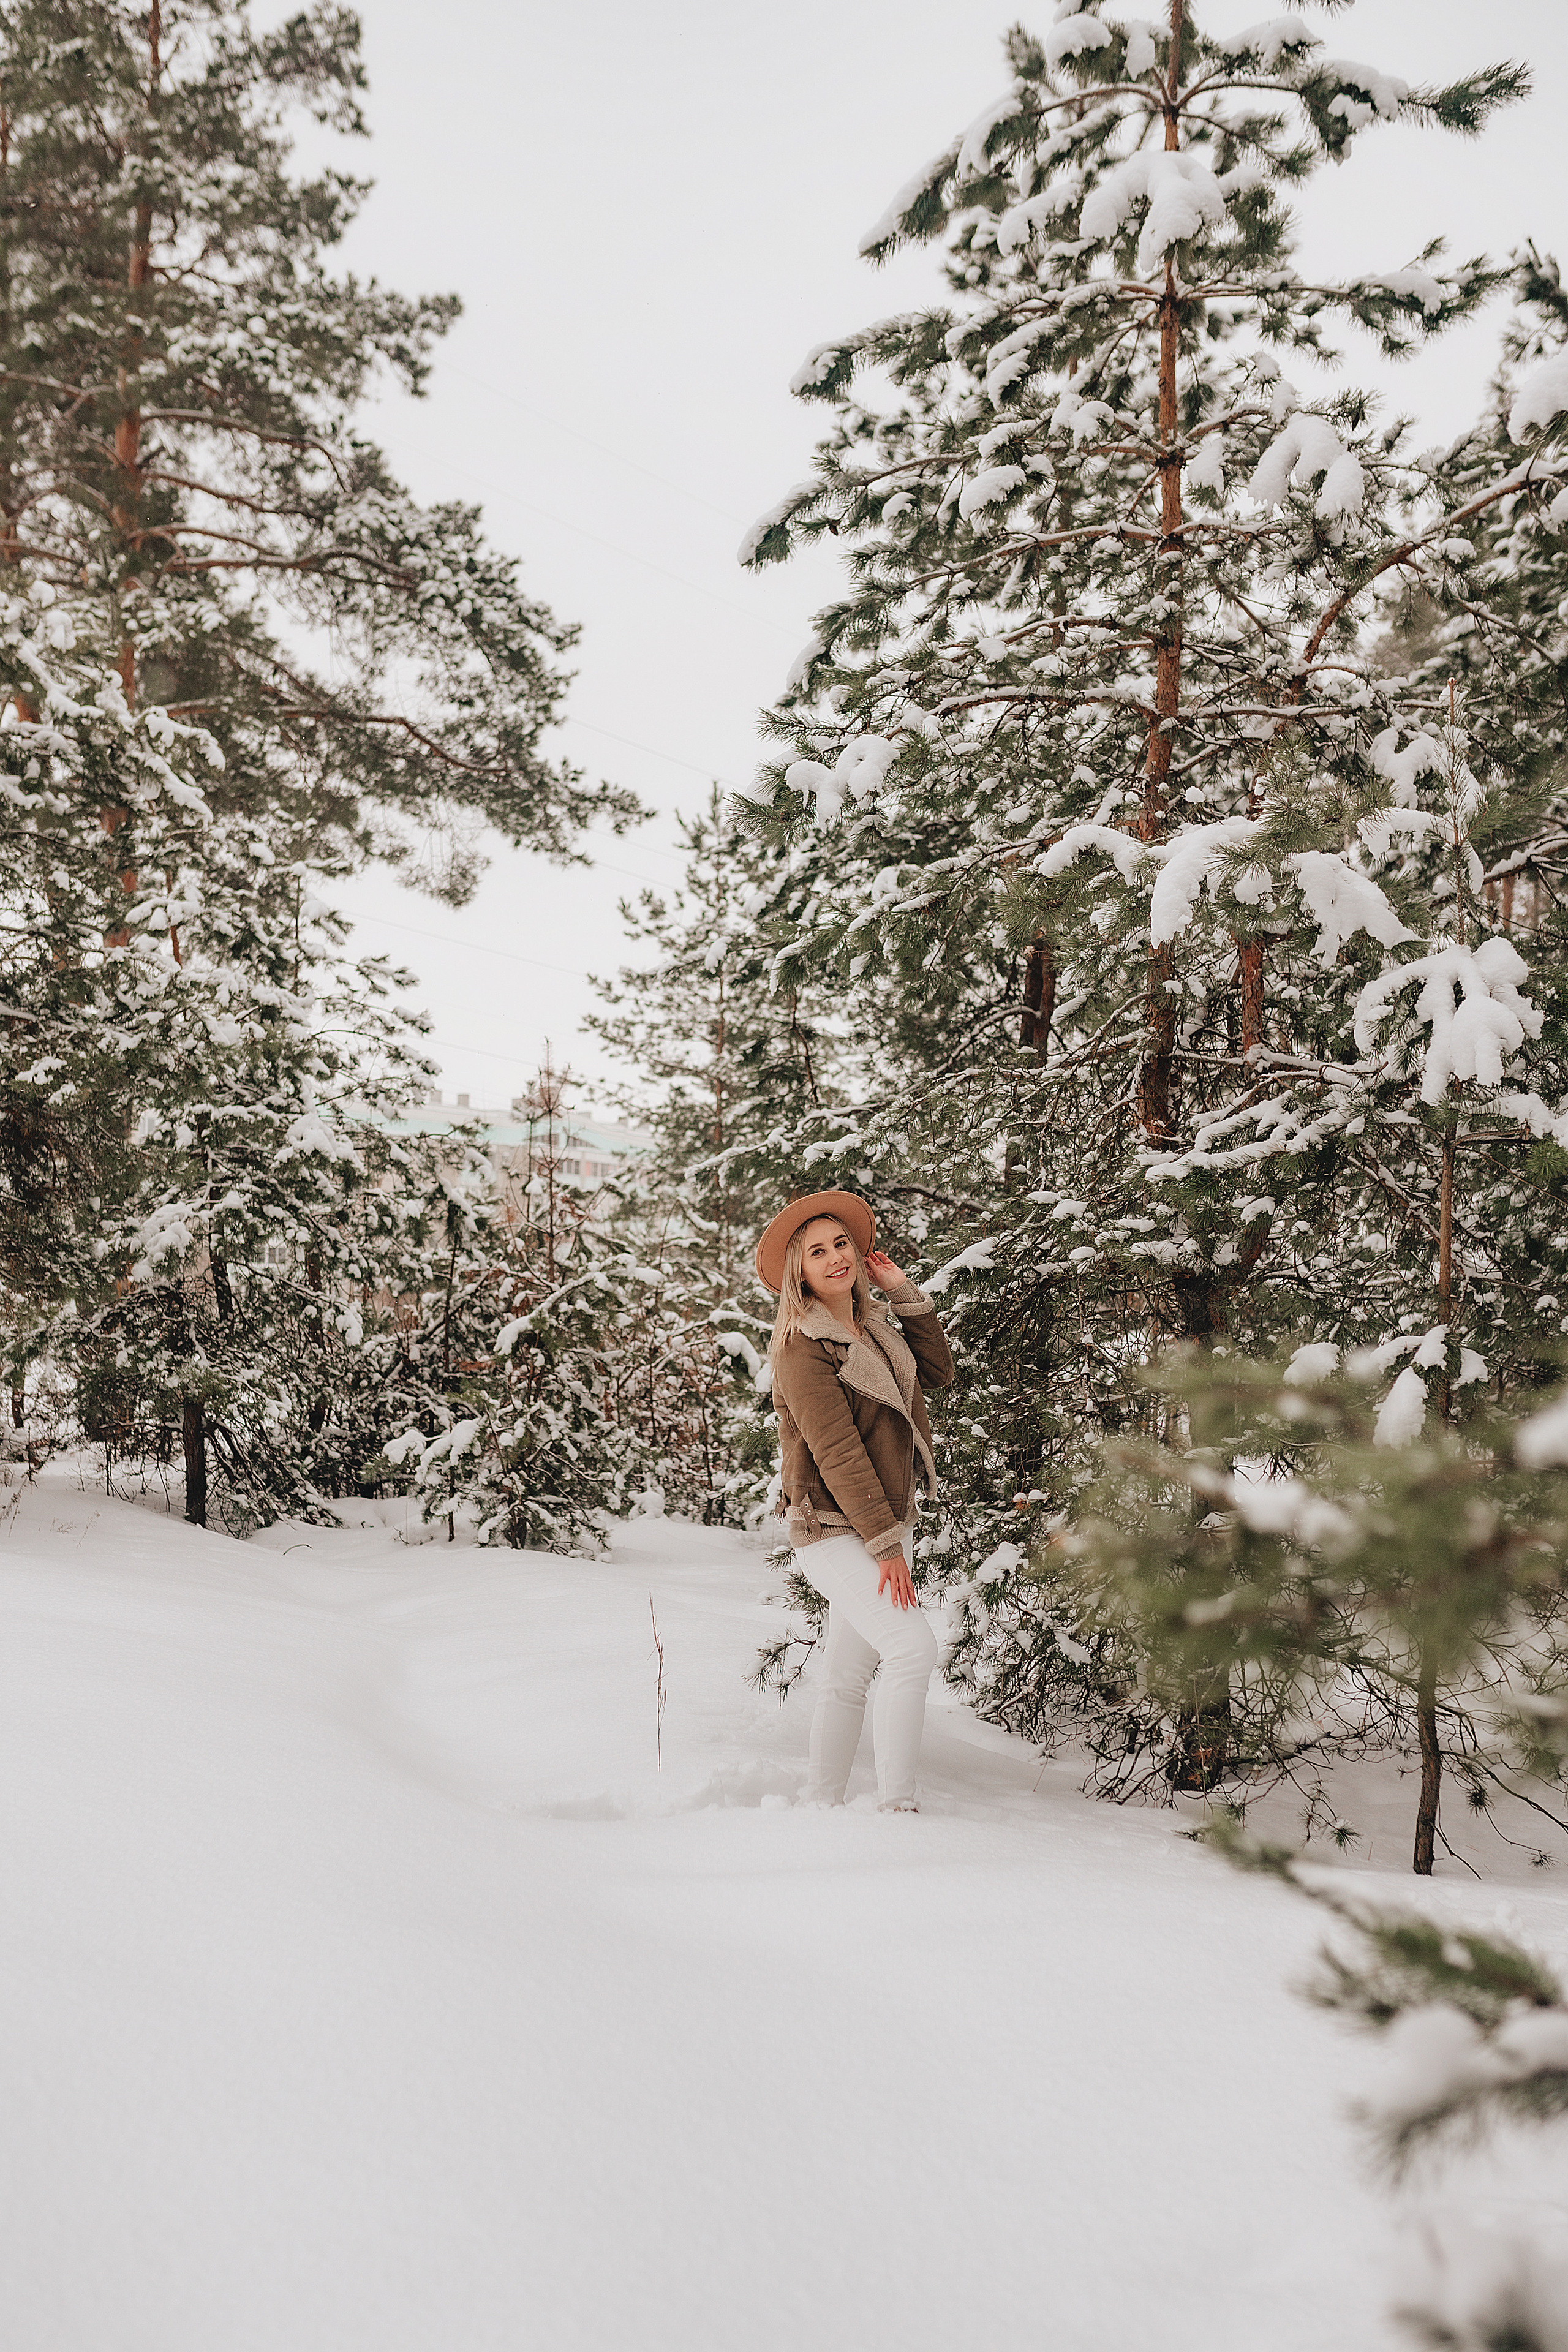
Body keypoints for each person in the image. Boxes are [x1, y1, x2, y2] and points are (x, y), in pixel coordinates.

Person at [756, 1190, 956, 1812]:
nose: (835, 1256)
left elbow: (938, 1372)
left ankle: (821, 1804)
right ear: (801, 1273)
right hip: (831, 1527)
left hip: (880, 1521)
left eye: (841, 1243)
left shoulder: (870, 1325)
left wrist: (901, 1292)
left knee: (847, 1676)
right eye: (817, 1252)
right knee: (910, 1649)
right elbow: (838, 1452)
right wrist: (886, 1545)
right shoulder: (801, 1347)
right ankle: (898, 1808)